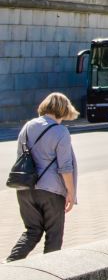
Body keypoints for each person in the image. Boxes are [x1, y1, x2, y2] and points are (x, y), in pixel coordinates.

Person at [6, 93, 79, 262]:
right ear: (62, 111)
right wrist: (71, 192)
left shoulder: (27, 127)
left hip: (25, 188)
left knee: (32, 231)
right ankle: (50, 271)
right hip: (51, 192)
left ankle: (9, 266)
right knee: (54, 235)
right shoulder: (61, 131)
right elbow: (65, 167)